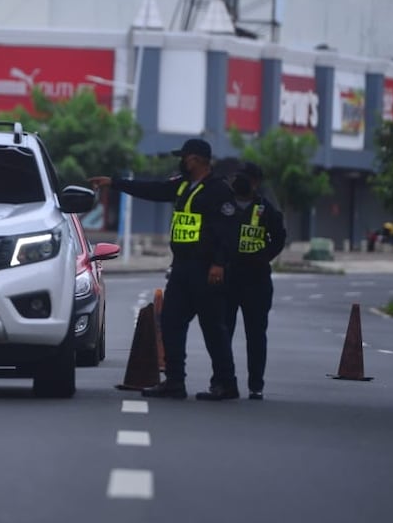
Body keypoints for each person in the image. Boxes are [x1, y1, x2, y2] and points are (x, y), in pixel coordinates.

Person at [89, 137, 240, 401]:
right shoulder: (182, 185)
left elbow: (228, 231)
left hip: (206, 270)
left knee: (213, 328)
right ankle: (174, 382)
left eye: (184, 157)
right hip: (182, 267)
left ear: (196, 159)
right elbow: (153, 189)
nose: (181, 161)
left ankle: (226, 384)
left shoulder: (219, 191)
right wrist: (115, 183)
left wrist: (219, 263)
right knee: (170, 323)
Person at [225, 162, 287, 400]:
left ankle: (256, 385)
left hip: (256, 280)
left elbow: (279, 238)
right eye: (237, 177)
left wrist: (263, 258)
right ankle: (224, 380)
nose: (239, 181)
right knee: (223, 333)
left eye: (246, 178)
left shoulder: (266, 209)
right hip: (229, 277)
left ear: (255, 183)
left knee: (256, 335)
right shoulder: (225, 205)